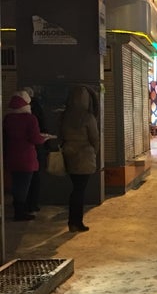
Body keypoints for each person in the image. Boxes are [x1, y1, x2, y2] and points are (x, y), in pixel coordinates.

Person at [3, 91, 54, 221]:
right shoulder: (30, 119)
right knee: (24, 186)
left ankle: (17, 209)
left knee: (16, 185)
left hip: (11, 157)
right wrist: (44, 139)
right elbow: (35, 139)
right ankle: (20, 212)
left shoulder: (8, 118)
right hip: (26, 158)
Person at [60, 85, 100, 233]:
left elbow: (61, 134)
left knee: (75, 190)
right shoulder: (88, 117)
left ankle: (72, 221)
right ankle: (77, 222)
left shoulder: (65, 115)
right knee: (79, 191)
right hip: (84, 156)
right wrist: (93, 152)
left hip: (69, 154)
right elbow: (94, 138)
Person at [23, 86, 47, 214]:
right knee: (34, 178)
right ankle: (32, 204)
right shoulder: (34, 112)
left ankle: (22, 206)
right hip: (33, 151)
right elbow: (40, 128)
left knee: (20, 182)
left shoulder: (9, 116)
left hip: (14, 156)